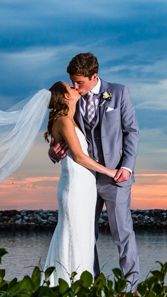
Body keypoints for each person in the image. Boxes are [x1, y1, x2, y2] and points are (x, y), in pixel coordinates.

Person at [48, 53, 140, 292]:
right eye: (73, 82)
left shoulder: (119, 93)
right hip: (84, 180)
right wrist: (54, 153)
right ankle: (93, 287)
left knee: (122, 234)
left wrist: (126, 168)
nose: (76, 87)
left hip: (116, 177)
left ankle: (130, 290)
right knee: (86, 236)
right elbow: (64, 141)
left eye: (80, 82)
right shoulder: (71, 103)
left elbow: (131, 132)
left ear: (94, 76)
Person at [42, 81, 123, 286]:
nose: (74, 87)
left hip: (85, 188)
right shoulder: (63, 121)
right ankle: (69, 289)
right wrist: (110, 172)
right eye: (70, 87)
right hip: (75, 188)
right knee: (74, 238)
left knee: (83, 239)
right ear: (66, 97)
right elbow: (78, 157)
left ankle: (79, 291)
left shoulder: (71, 119)